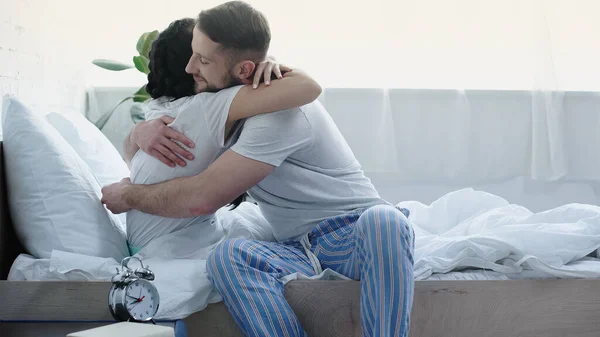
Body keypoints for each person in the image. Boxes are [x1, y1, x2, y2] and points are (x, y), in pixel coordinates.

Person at [101, 1, 415, 336]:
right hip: (295, 245)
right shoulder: (231, 103)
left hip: (349, 235)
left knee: (386, 220)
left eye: (203, 59)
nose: (191, 66)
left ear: (243, 70)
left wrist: (128, 194)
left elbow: (202, 197)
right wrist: (137, 133)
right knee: (228, 256)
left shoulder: (277, 113)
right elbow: (160, 129)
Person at [124, 16, 321, 254]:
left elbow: (129, 157)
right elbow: (308, 87)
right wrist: (268, 64)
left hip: (147, 240)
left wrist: (136, 132)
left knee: (249, 217)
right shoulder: (209, 105)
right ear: (195, 71)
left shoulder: (160, 107)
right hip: (171, 247)